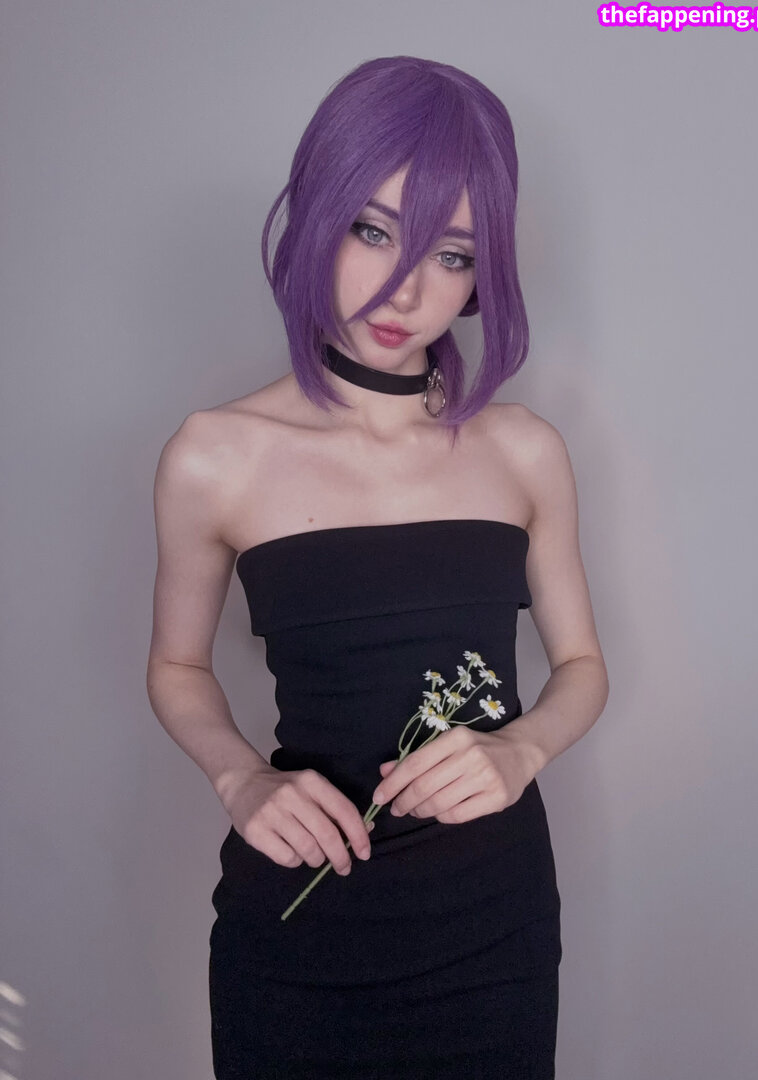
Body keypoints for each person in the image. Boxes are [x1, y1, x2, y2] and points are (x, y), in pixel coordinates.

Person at [146, 55, 609, 1079]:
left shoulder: (524, 452)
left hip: (490, 928)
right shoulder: (215, 456)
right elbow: (176, 666)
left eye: (452, 253)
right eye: (373, 231)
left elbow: (583, 668)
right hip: (299, 925)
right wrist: (238, 777)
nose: (408, 287)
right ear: (318, 215)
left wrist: (522, 751)